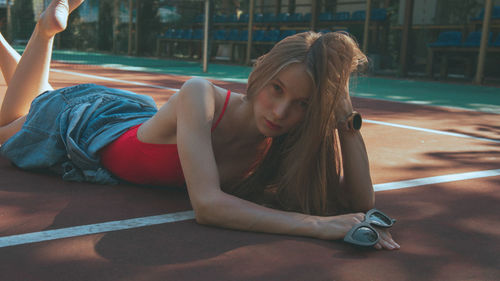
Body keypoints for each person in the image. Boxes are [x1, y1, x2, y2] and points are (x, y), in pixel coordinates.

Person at [0, 0, 399, 250]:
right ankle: (44, 30)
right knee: (12, 122)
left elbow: (360, 203)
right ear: (260, 73)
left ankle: (45, 30)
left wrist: (343, 117)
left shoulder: (282, 137)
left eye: (301, 105)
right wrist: (319, 227)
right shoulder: (199, 94)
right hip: (86, 124)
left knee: (33, 99)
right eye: (276, 89)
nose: (280, 111)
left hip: (132, 122)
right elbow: (207, 206)